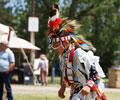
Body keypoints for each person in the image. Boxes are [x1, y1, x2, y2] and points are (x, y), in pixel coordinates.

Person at [46, 3, 107, 100]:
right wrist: (63, 86)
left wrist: (88, 86)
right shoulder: (63, 56)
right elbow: (68, 74)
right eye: (53, 46)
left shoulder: (79, 55)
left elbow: (95, 73)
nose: (55, 49)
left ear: (66, 42)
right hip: (78, 91)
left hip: (91, 91)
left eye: (56, 46)